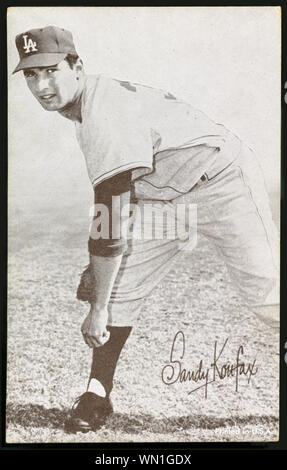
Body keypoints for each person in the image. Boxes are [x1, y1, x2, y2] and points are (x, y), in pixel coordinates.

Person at [13, 25, 279, 433]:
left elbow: (110, 218)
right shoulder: (86, 103)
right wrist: (101, 278)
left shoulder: (104, 112)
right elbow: (121, 198)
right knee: (118, 286)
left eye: (51, 69)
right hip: (164, 193)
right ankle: (97, 392)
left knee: (266, 296)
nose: (41, 83)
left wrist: (97, 304)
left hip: (222, 181)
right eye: (31, 74)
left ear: (77, 66)